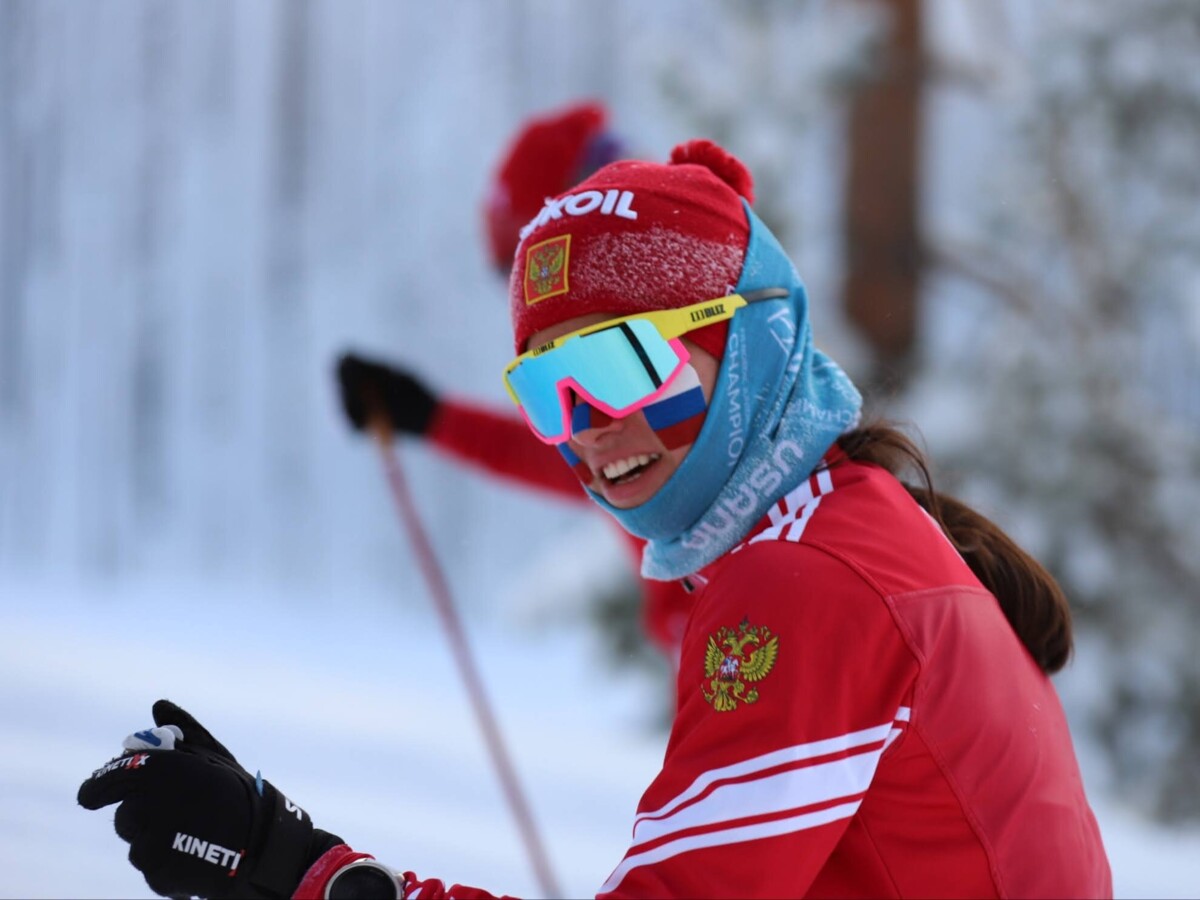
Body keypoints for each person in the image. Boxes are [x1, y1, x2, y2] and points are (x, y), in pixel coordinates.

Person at [78, 139, 1113, 898]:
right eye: (552, 388)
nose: (588, 433)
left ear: (749, 343)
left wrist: (294, 868)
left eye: (624, 363)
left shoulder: (804, 584)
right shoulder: (844, 519)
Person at [338, 99, 693, 663]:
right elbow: (575, 459)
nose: (526, 303)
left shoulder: (680, 334)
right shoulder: (649, 332)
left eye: (531, 268)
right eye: (511, 278)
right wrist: (432, 418)